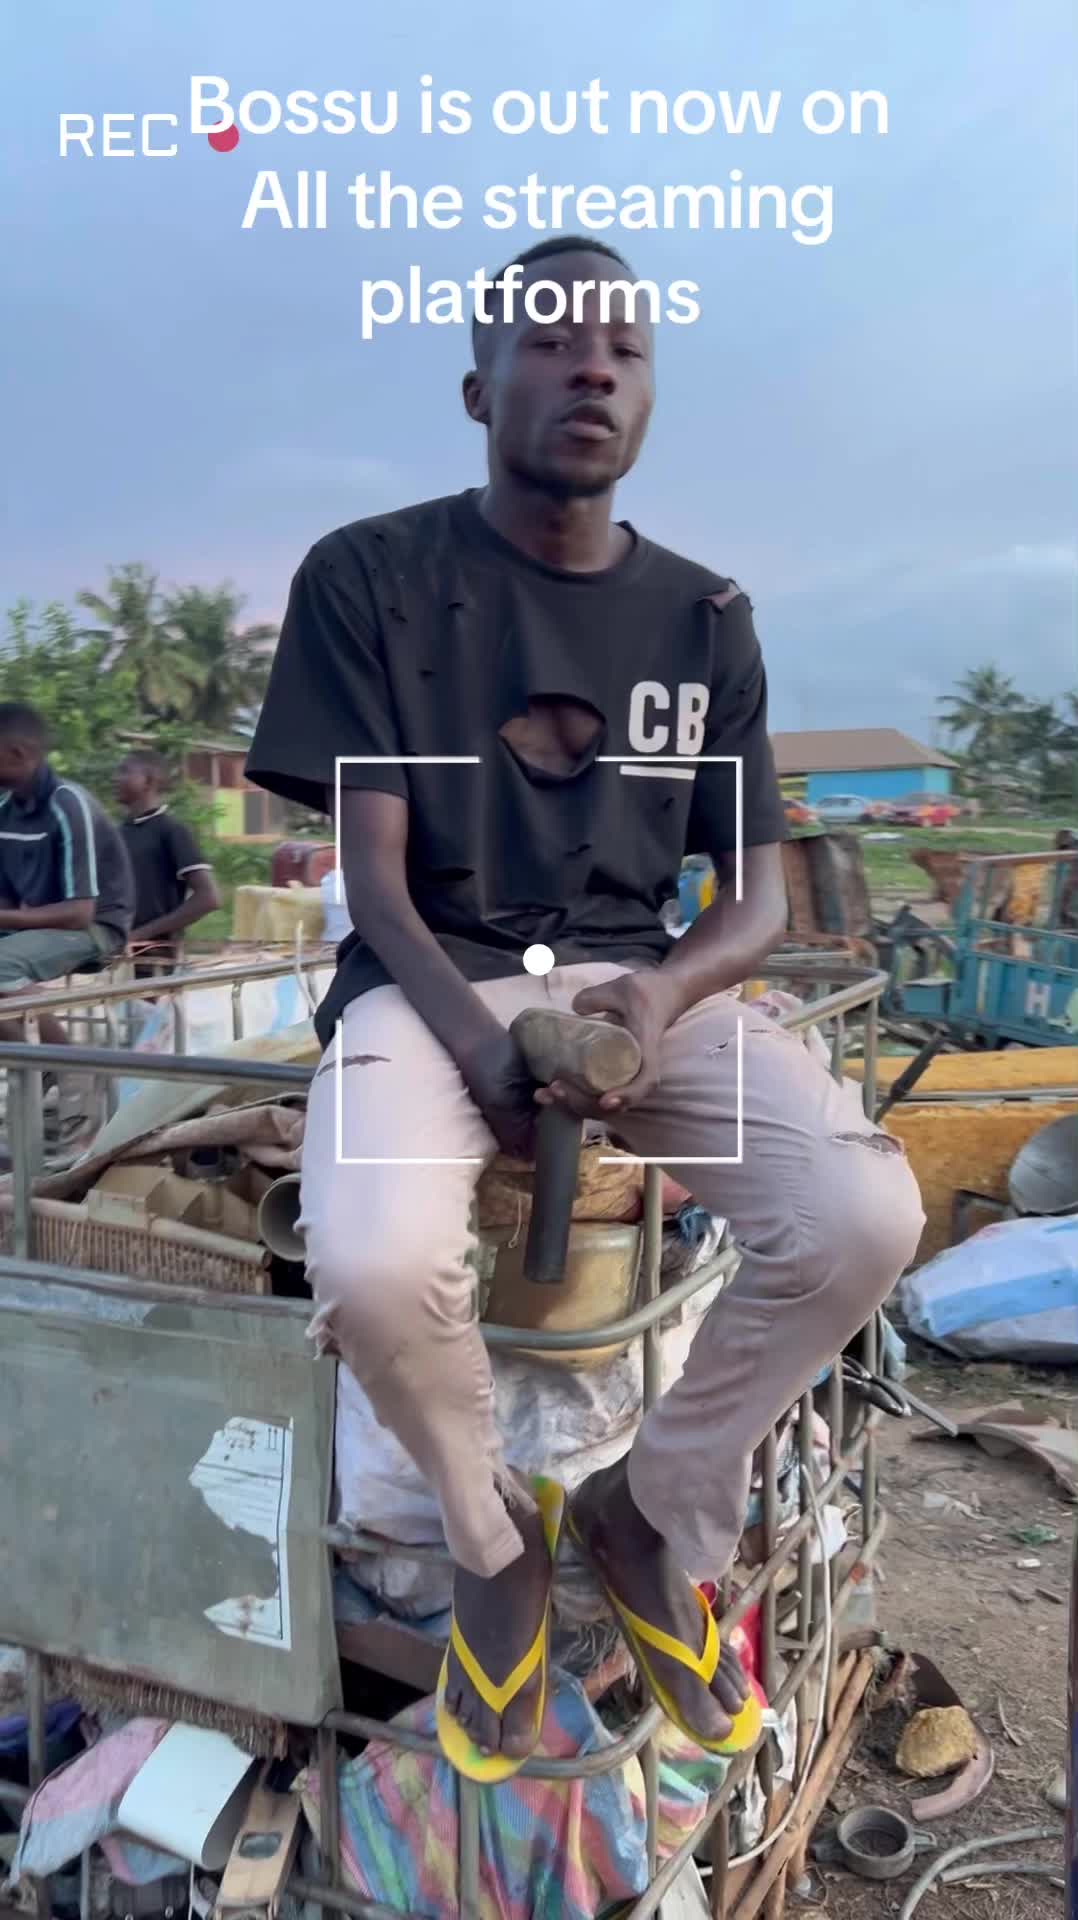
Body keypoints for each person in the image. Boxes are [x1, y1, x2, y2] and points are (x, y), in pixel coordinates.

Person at [246, 237, 925, 1780]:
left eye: (622, 346)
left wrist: (659, 992)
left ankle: (644, 1512)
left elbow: (754, 902)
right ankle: (493, 1543)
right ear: (478, 385)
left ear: (650, 392)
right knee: (371, 1262)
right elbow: (374, 881)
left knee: (859, 1218)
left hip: (637, 978)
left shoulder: (706, 616)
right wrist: (480, 1043)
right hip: (431, 978)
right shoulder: (372, 576)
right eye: (551, 342)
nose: (593, 367)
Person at [0, 702, 134, 1051]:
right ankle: (36, 1067)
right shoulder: (4, 810)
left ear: (17, 754)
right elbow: (6, 898)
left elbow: (79, 913)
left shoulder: (68, 804)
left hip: (95, 929)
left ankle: (67, 1064)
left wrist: (5, 918)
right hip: (40, 924)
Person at [114, 752, 220, 972]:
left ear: (148, 781)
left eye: (124, 771)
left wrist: (138, 935)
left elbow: (208, 898)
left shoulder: (171, 831)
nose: (116, 778)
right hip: (116, 959)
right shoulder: (117, 834)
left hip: (157, 961)